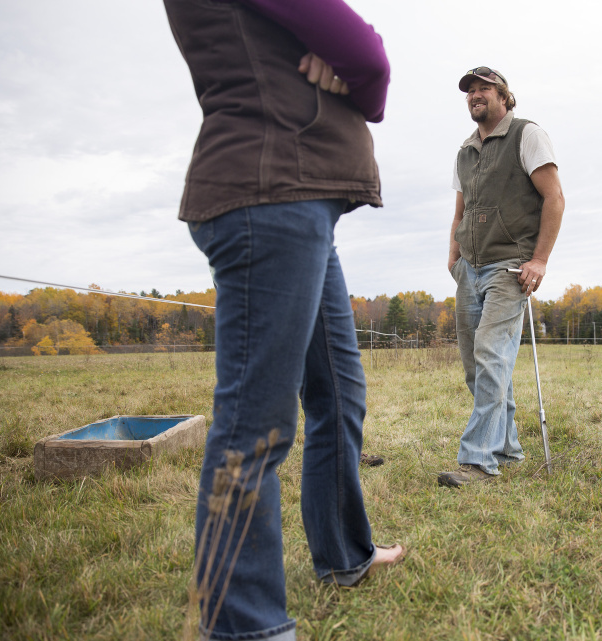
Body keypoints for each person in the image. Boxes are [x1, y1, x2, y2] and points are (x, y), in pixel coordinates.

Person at [162, 1, 403, 639]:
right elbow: (367, 54)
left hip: (298, 198)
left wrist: (345, 65)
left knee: (339, 391)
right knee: (255, 426)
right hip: (270, 193)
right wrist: (358, 78)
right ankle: (242, 625)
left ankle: (344, 555)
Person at [439, 66, 565, 488]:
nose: (475, 95)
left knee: (492, 357)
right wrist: (454, 256)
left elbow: (554, 197)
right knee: (477, 369)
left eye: (483, 89)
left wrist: (540, 261)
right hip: (469, 269)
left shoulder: (526, 135)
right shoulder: (464, 151)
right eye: (470, 91)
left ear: (503, 96)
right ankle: (507, 448)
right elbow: (461, 209)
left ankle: (478, 463)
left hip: (509, 267)